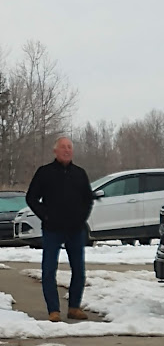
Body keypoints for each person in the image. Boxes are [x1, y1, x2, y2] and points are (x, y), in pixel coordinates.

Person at [26, 136, 94, 322]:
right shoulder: (45, 172)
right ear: (55, 151)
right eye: (63, 147)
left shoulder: (80, 173)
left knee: (79, 270)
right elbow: (31, 198)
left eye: (70, 147)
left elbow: (88, 199)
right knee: (49, 270)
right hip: (52, 229)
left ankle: (74, 307)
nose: (67, 150)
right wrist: (46, 215)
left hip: (75, 229)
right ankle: (53, 310)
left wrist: (82, 218)